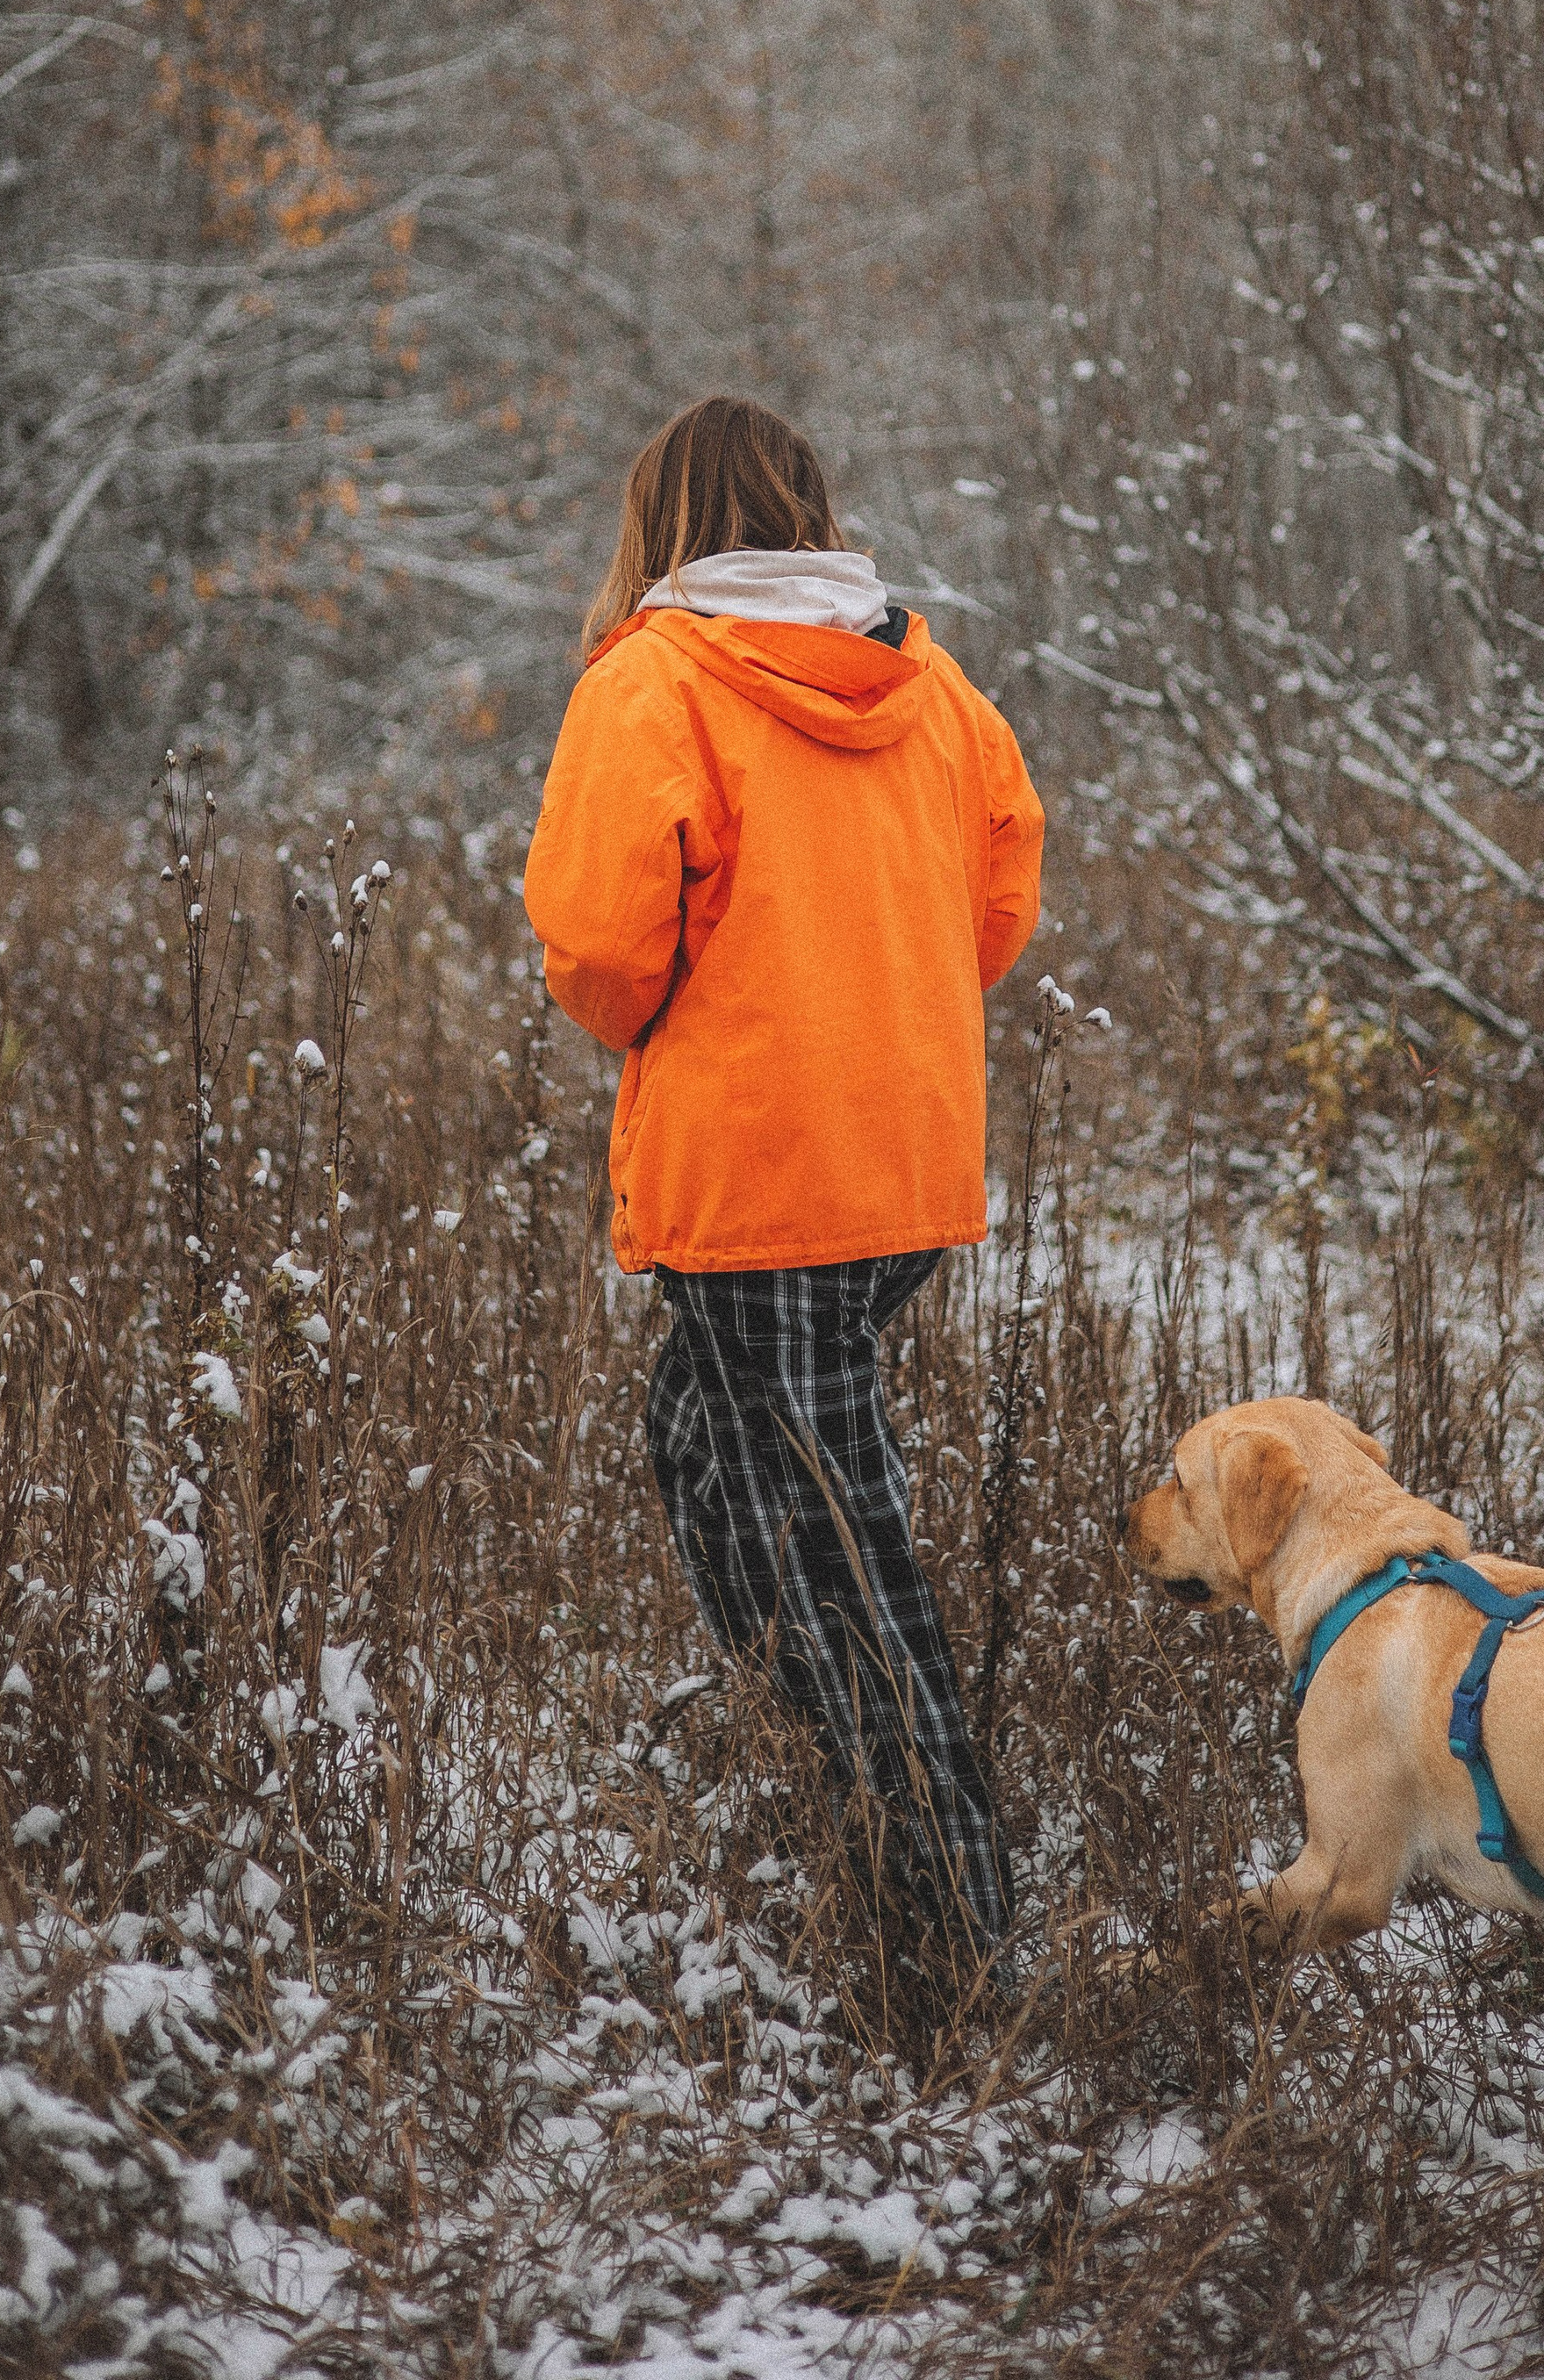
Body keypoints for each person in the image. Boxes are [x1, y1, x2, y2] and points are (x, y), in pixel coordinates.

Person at [522, 396, 1045, 1977]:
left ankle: (958, 1927)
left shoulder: (654, 681)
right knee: (700, 1443)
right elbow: (1001, 901)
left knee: (836, 1536)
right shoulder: (932, 681)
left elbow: (602, 955)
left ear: (660, 524)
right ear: (807, 510)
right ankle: (828, 1778)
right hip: (902, 1166)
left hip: (764, 1172)